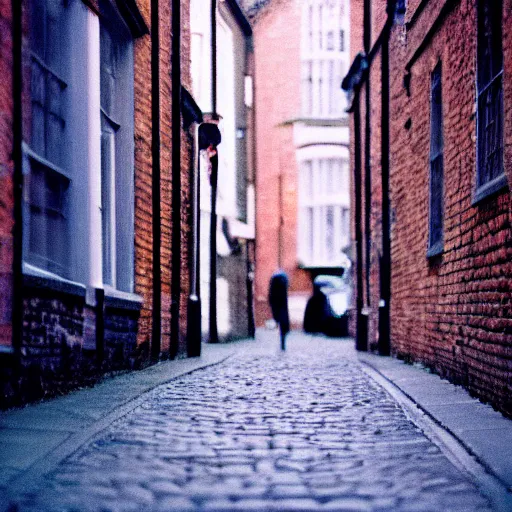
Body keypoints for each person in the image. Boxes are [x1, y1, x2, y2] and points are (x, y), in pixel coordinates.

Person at [269, 270, 290, 350]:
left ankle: (283, 341)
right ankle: (283, 341)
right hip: (281, 307)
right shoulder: (283, 285)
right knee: (283, 325)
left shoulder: (274, 286)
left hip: (279, 307)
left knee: (282, 324)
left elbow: (271, 298)